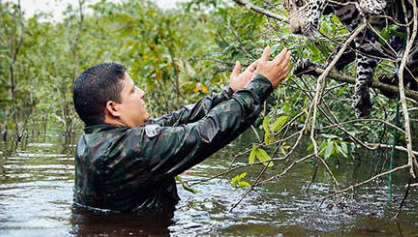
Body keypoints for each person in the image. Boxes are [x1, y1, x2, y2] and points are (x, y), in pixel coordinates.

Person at [72, 46, 291, 212]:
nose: (141, 94)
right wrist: (261, 84)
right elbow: (207, 132)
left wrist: (231, 92)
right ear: (113, 108)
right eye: (132, 91)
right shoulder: (134, 149)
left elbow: (174, 120)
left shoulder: (93, 138)